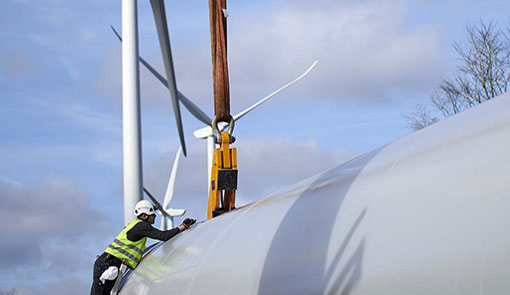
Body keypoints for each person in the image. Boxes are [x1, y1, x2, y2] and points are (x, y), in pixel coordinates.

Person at [90, 200, 196, 295]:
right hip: (108, 264)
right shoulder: (142, 227)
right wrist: (182, 227)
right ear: (144, 216)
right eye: (152, 214)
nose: (155, 216)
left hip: (108, 263)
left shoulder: (135, 225)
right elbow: (163, 236)